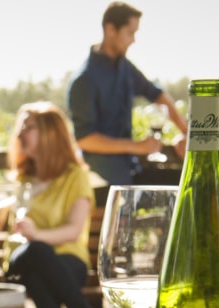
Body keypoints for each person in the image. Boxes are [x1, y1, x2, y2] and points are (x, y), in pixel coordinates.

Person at [0, 102, 117, 308]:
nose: (20, 132)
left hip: (67, 261)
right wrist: (4, 205)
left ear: (50, 134)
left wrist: (38, 234)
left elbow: (73, 230)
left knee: (40, 273)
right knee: (35, 253)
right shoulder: (24, 179)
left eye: (29, 126)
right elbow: (23, 218)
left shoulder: (75, 176)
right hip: (20, 261)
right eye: (20, 126)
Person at [66, 1, 187, 188]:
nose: (133, 40)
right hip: (102, 178)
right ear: (110, 29)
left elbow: (157, 95)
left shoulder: (125, 68)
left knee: (186, 183)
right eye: (130, 33)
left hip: (131, 169)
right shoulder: (84, 80)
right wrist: (136, 146)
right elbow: (85, 139)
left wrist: (187, 133)